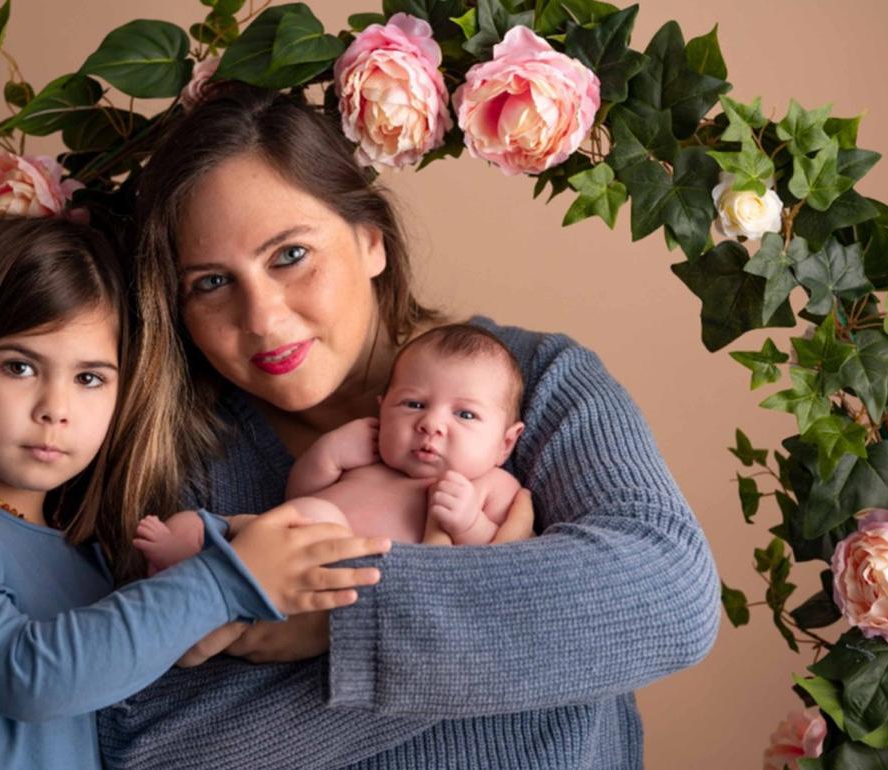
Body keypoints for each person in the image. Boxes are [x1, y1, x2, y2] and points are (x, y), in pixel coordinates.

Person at [96, 84, 720, 769]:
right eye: (212, 283)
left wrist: (337, 622)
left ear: (371, 240)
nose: (263, 317)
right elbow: (148, 748)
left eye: (290, 255)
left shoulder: (537, 382)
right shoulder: (176, 459)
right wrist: (496, 599)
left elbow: (669, 598)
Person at [0, 216, 392, 770]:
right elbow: (24, 674)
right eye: (19, 366)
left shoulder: (93, 568)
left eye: (90, 378)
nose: (56, 410)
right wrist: (230, 577)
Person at [133, 323, 531, 570]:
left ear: (505, 442)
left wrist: (469, 524)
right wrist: (329, 453)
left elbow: (502, 555)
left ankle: (211, 580)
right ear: (384, 409)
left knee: (316, 516)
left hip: (332, 578)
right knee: (191, 523)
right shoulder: (371, 461)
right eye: (413, 405)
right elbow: (299, 494)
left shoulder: (491, 485)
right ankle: (190, 565)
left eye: (465, 415)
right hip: (275, 540)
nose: (431, 423)